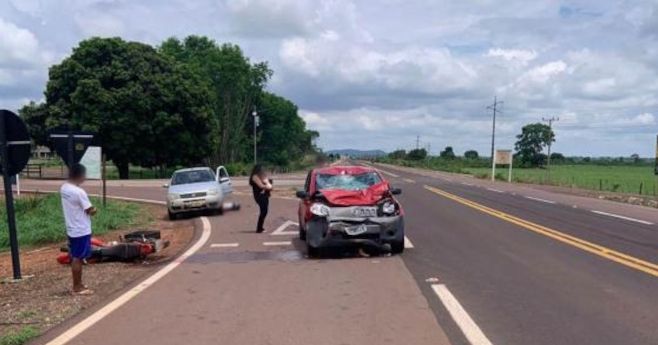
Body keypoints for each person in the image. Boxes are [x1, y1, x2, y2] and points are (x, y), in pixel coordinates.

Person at [60, 163, 97, 295]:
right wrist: (95, 209)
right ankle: (77, 287)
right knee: (78, 258)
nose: (85, 178)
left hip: (71, 227)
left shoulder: (64, 188)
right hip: (81, 229)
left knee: (76, 256)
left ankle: (78, 283)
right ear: (79, 175)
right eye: (84, 175)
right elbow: (90, 210)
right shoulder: (79, 192)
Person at [249, 164, 272, 233]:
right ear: (258, 170)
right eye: (261, 169)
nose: (263, 170)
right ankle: (259, 228)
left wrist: (268, 184)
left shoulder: (261, 176)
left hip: (264, 195)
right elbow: (261, 186)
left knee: (265, 211)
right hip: (259, 196)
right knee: (263, 211)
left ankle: (260, 227)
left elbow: (267, 182)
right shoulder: (255, 177)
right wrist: (268, 186)